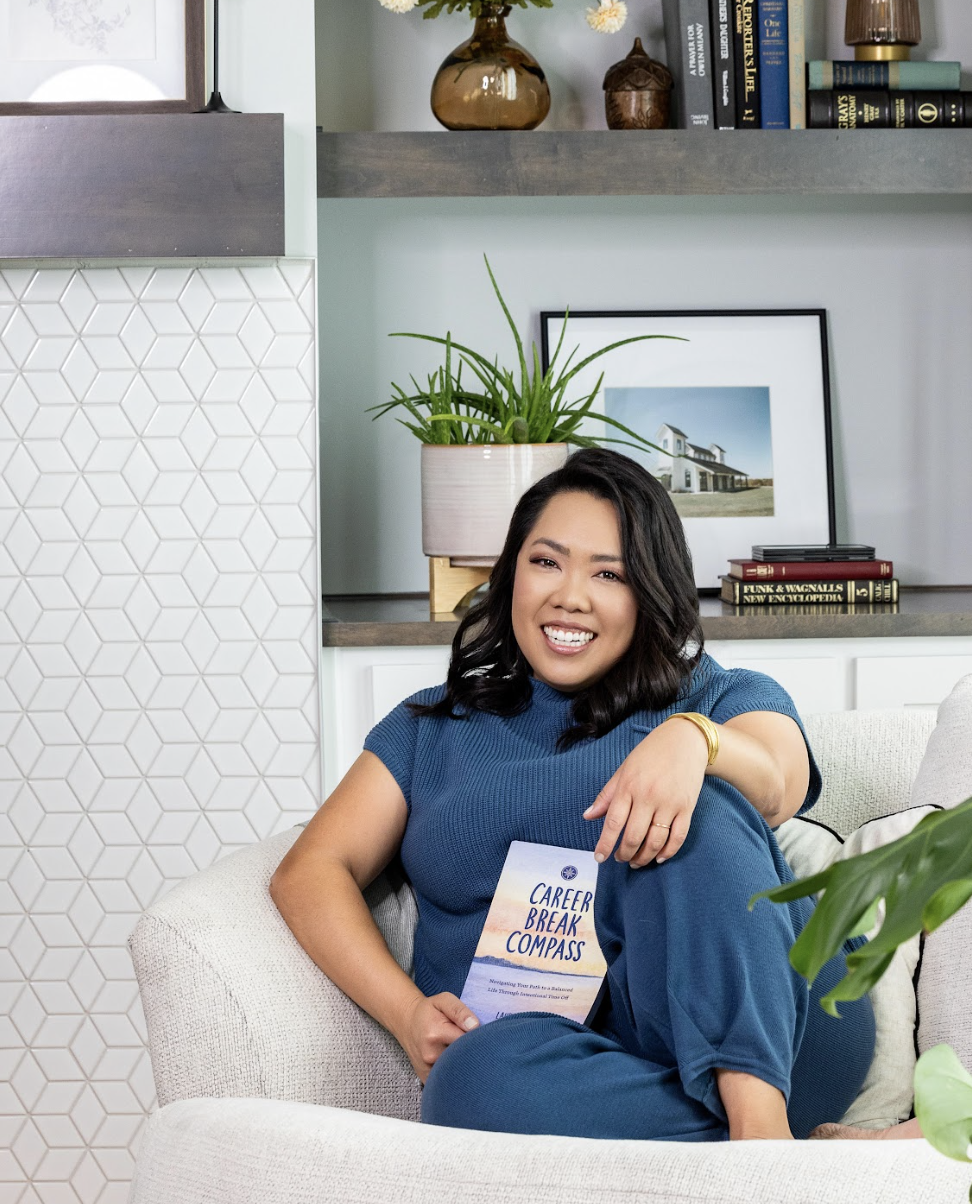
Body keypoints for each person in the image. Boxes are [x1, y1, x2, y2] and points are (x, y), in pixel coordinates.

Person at [271, 448, 878, 1142]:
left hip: (778, 1030)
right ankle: (779, 1151)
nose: (570, 597)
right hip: (565, 1063)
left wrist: (693, 740)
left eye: (609, 574)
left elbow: (779, 783)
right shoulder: (429, 727)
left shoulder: (716, 694)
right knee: (469, 1082)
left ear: (650, 592)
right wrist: (406, 1012)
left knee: (691, 811)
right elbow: (311, 871)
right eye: (546, 562)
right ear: (510, 576)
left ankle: (759, 1121)